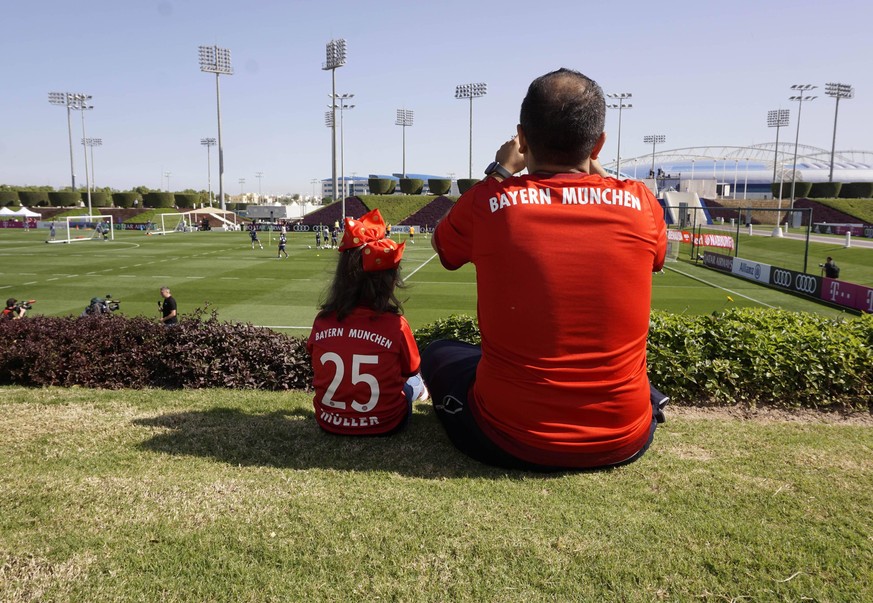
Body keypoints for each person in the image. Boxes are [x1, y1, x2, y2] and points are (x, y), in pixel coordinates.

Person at [422, 68, 668, 472]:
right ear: (599, 143)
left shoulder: (490, 202)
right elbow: (658, 255)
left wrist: (500, 171)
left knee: (440, 352)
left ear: (521, 137)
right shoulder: (641, 203)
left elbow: (442, 246)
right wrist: (596, 168)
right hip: (625, 438)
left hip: (510, 438)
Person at [307, 208, 428, 436]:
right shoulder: (396, 325)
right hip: (387, 424)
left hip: (328, 423)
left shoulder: (322, 321)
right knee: (415, 382)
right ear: (390, 283)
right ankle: (422, 394)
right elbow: (411, 369)